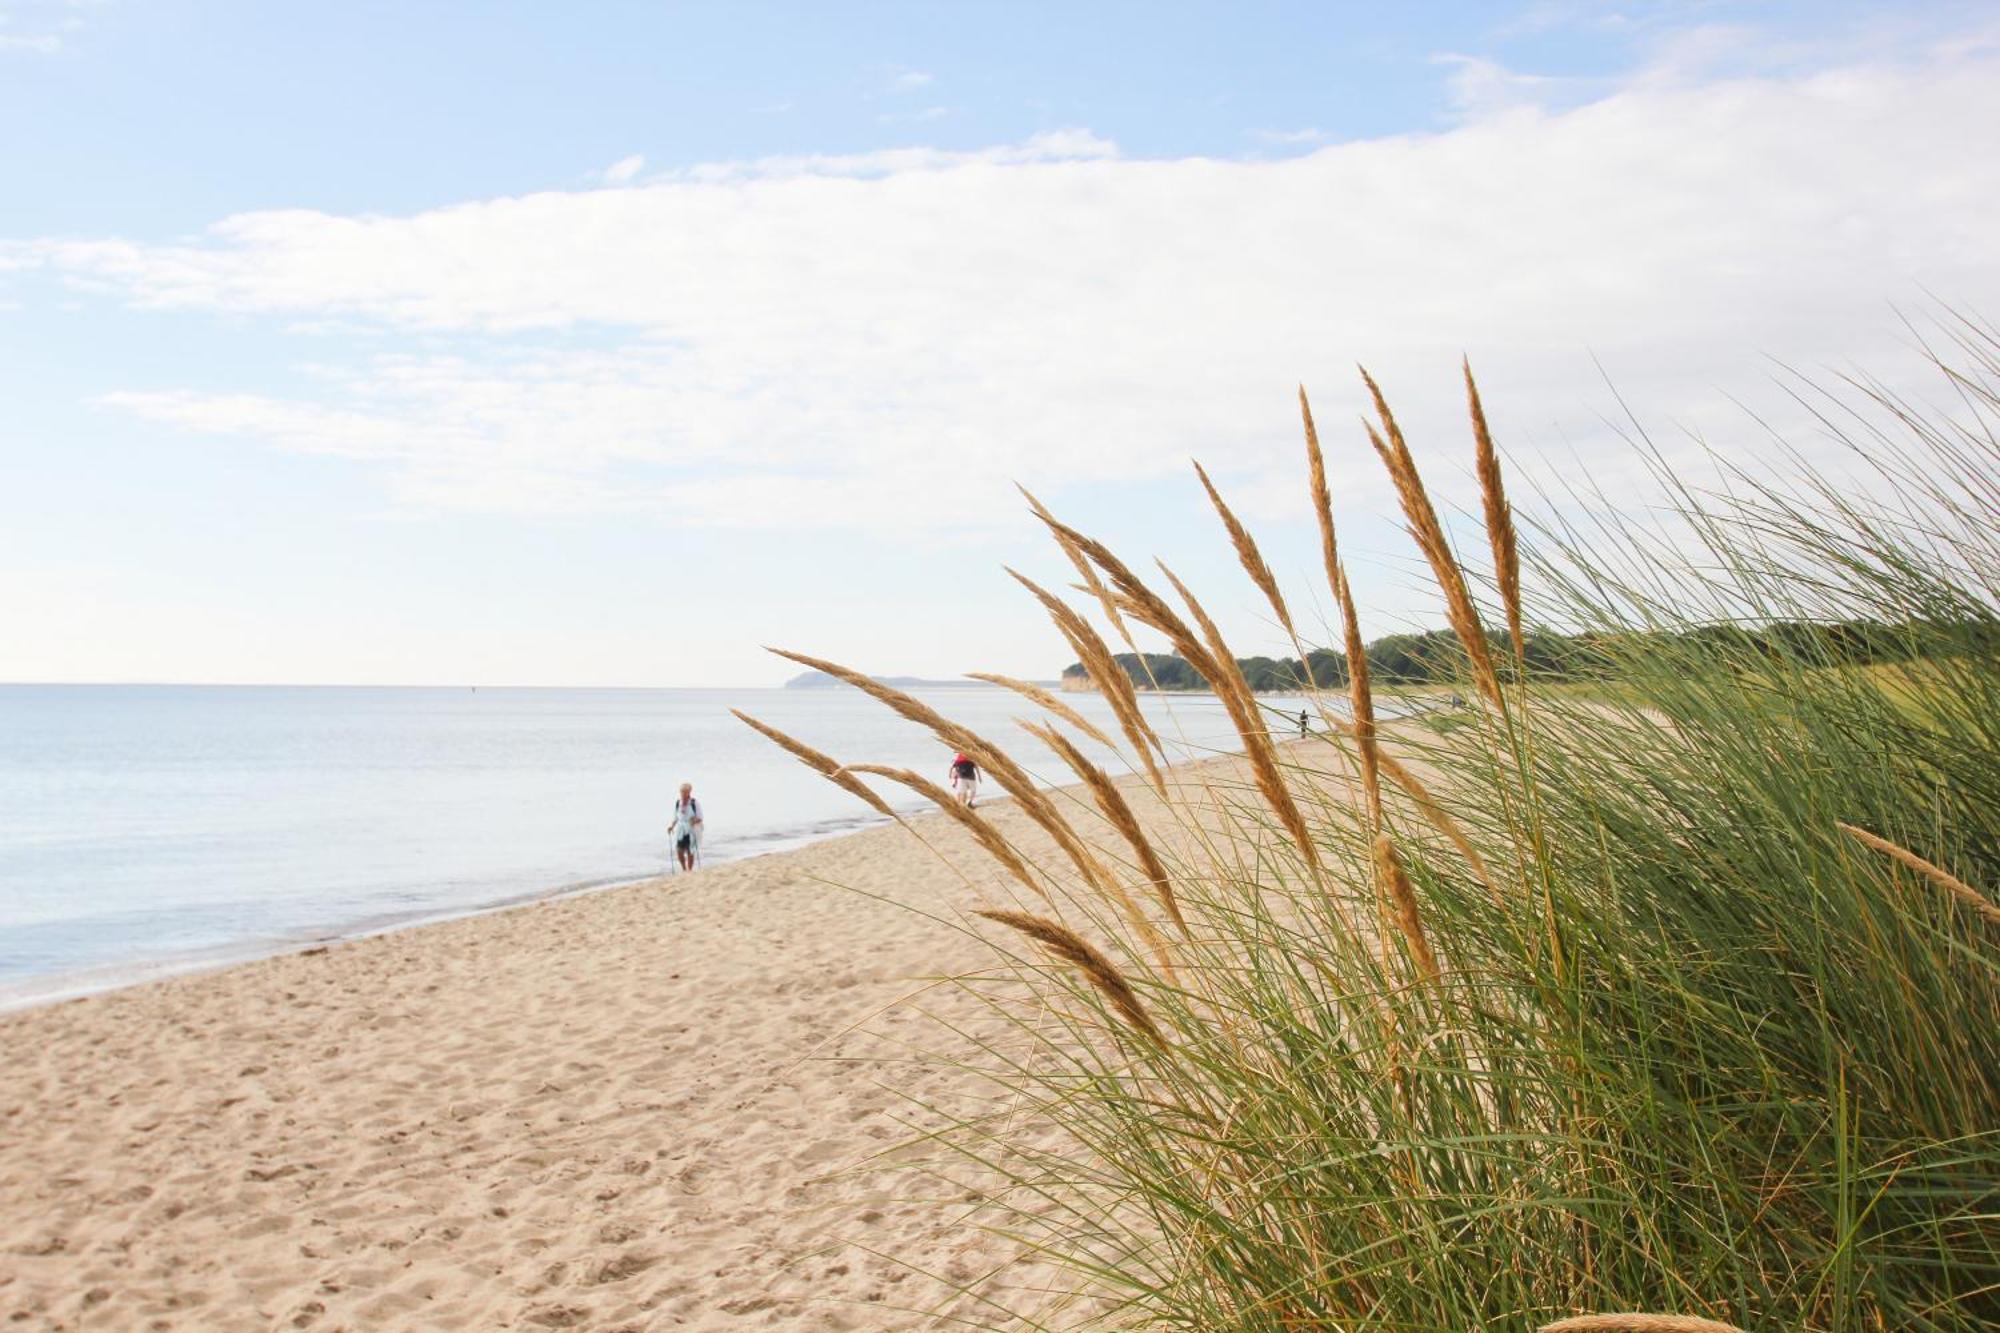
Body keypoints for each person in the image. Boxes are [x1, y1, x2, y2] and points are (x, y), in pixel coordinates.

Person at [671, 782, 703, 872]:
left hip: (691, 830)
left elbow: (700, 817)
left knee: (690, 851)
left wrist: (694, 821)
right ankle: (684, 868)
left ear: (689, 792)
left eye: (685, 792)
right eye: (681, 792)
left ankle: (689, 870)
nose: (683, 794)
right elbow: (675, 817)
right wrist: (671, 826)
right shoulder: (678, 803)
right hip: (680, 830)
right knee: (679, 850)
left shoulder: (694, 803)